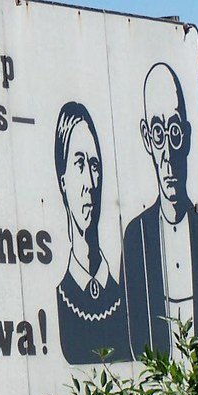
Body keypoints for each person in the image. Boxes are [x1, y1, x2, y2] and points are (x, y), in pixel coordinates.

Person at [123, 63, 198, 360]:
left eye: (174, 132)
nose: (168, 155)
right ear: (147, 138)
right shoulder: (136, 237)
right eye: (159, 133)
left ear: (186, 137)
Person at [53, 101, 130, 364]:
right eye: (79, 164)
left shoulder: (126, 303)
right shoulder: (59, 302)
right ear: (62, 181)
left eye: (94, 165)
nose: (90, 182)